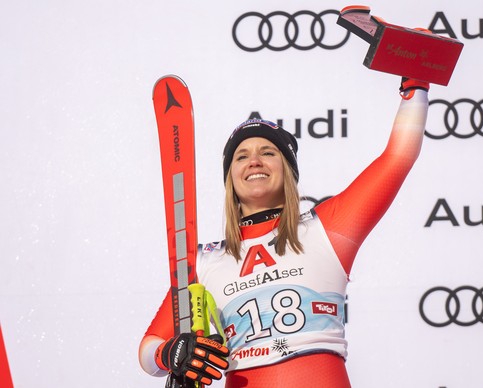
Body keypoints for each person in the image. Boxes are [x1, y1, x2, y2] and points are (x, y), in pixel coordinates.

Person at [138, 77, 429, 387]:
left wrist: (416, 85)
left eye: (268, 152)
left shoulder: (327, 229)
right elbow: (148, 349)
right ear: (230, 180)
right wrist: (170, 354)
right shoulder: (205, 260)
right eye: (241, 156)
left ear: (288, 170)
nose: (254, 161)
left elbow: (398, 158)